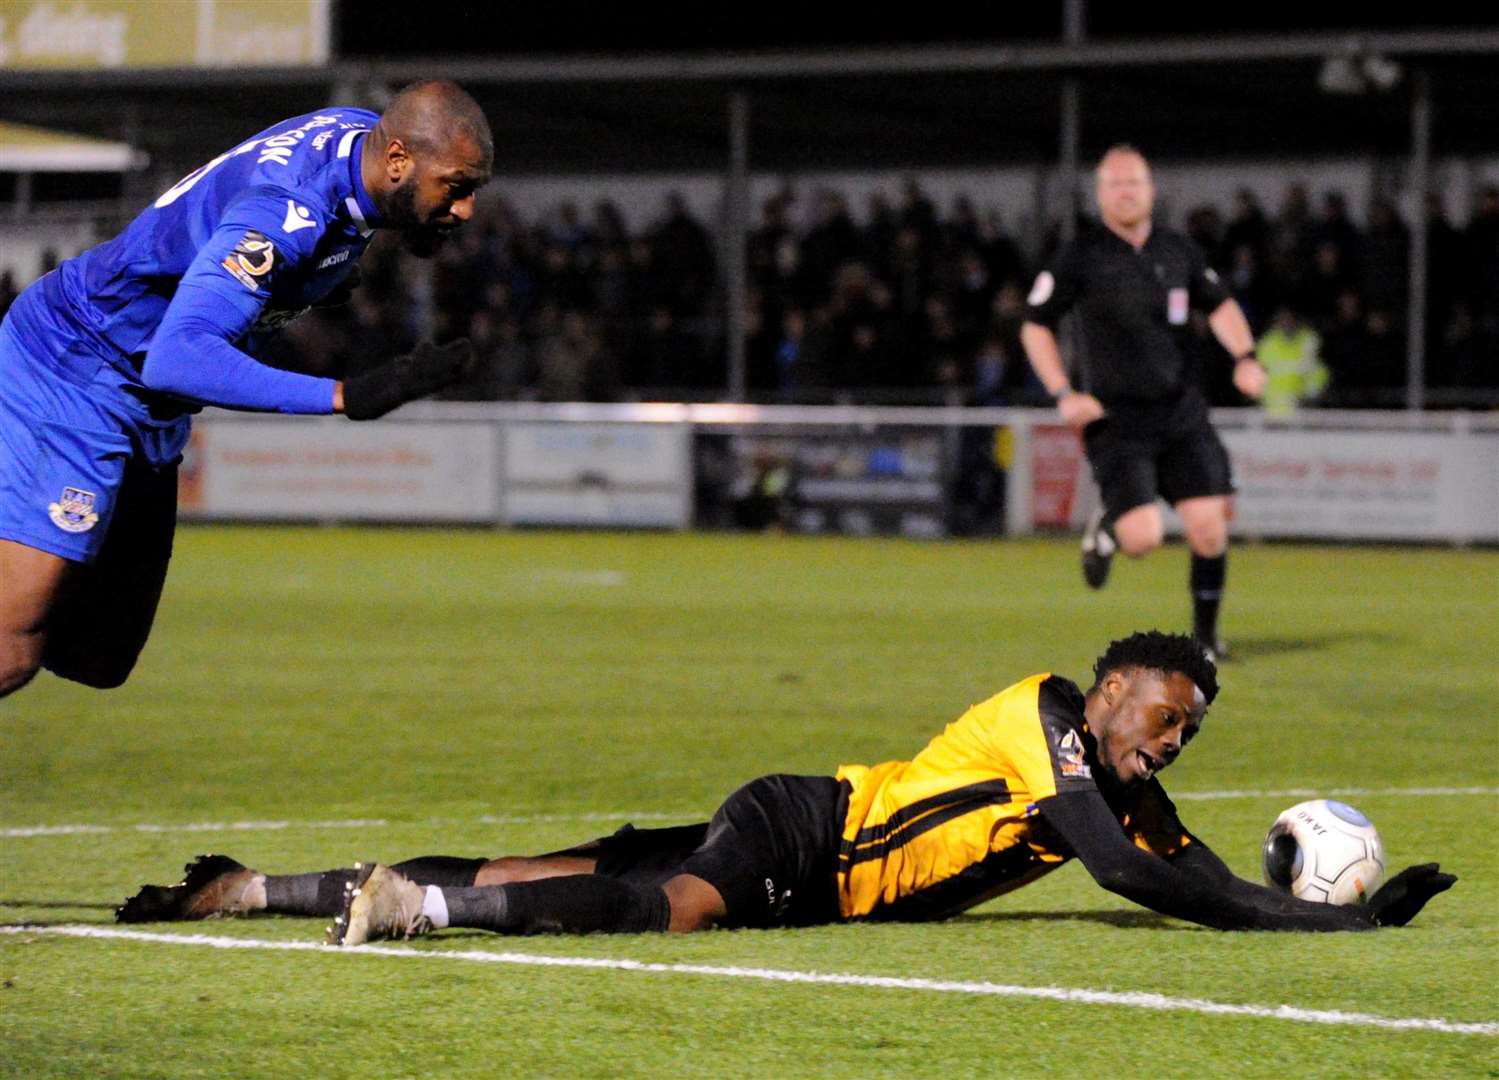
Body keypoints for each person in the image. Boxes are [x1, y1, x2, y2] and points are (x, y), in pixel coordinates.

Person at [116, 631, 1455, 943]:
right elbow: (1122, 872)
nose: (1164, 747)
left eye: (1180, 739)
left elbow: (1204, 881)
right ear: (1107, 693)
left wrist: (1351, 921)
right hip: (808, 825)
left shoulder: (1123, 786)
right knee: (680, 908)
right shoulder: (1042, 717)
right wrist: (1326, 919)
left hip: (819, 880)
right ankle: (417, 912)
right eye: (1159, 719)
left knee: (564, 873)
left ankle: (251, 889)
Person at [0, 81, 493, 700]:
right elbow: (178, 357)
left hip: (145, 407)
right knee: (12, 651)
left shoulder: (356, 133)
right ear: (397, 161)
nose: (467, 209)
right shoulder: (286, 213)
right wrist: (346, 395)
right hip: (76, 368)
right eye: (457, 186)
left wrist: (338, 264)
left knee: (100, 655)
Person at [1020, 146, 1269, 662]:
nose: (1126, 191)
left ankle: (1205, 641)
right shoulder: (1080, 256)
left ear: (1152, 189)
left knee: (1209, 525)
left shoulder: (1180, 251)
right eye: (1115, 183)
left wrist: (1245, 356)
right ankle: (1111, 523)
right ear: (1100, 193)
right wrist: (1063, 393)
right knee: (1143, 539)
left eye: (1135, 181)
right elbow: (1035, 325)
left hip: (1180, 411)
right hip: (1115, 417)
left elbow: (1219, 306)